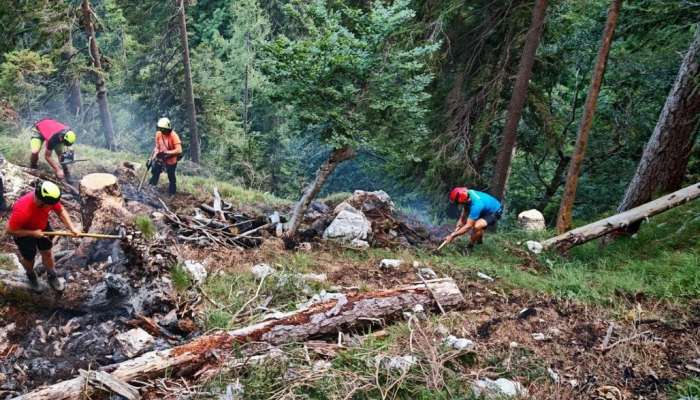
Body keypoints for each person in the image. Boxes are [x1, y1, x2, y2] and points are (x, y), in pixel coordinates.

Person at [6, 181, 80, 291]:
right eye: (49, 204)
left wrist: (72, 228)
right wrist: (32, 233)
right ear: (41, 200)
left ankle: (52, 275)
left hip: (42, 227)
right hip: (23, 234)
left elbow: (61, 211)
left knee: (47, 252)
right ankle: (31, 275)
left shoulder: (49, 198)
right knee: (29, 258)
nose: (52, 206)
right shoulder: (22, 209)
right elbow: (10, 230)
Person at [148, 117, 182, 195]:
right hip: (160, 157)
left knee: (171, 175)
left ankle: (172, 192)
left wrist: (167, 152)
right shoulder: (158, 134)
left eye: (164, 129)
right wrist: (151, 159)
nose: (162, 131)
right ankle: (151, 187)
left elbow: (179, 150)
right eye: (161, 129)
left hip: (171, 158)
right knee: (155, 170)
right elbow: (157, 147)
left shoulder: (173, 136)